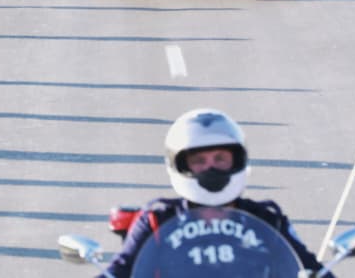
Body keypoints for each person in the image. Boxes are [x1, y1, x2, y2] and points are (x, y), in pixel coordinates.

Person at [102, 108, 330, 277]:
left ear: (237, 160)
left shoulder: (268, 220)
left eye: (220, 158)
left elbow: (311, 268)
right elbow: (119, 269)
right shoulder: (156, 221)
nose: (210, 168)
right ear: (180, 166)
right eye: (199, 160)